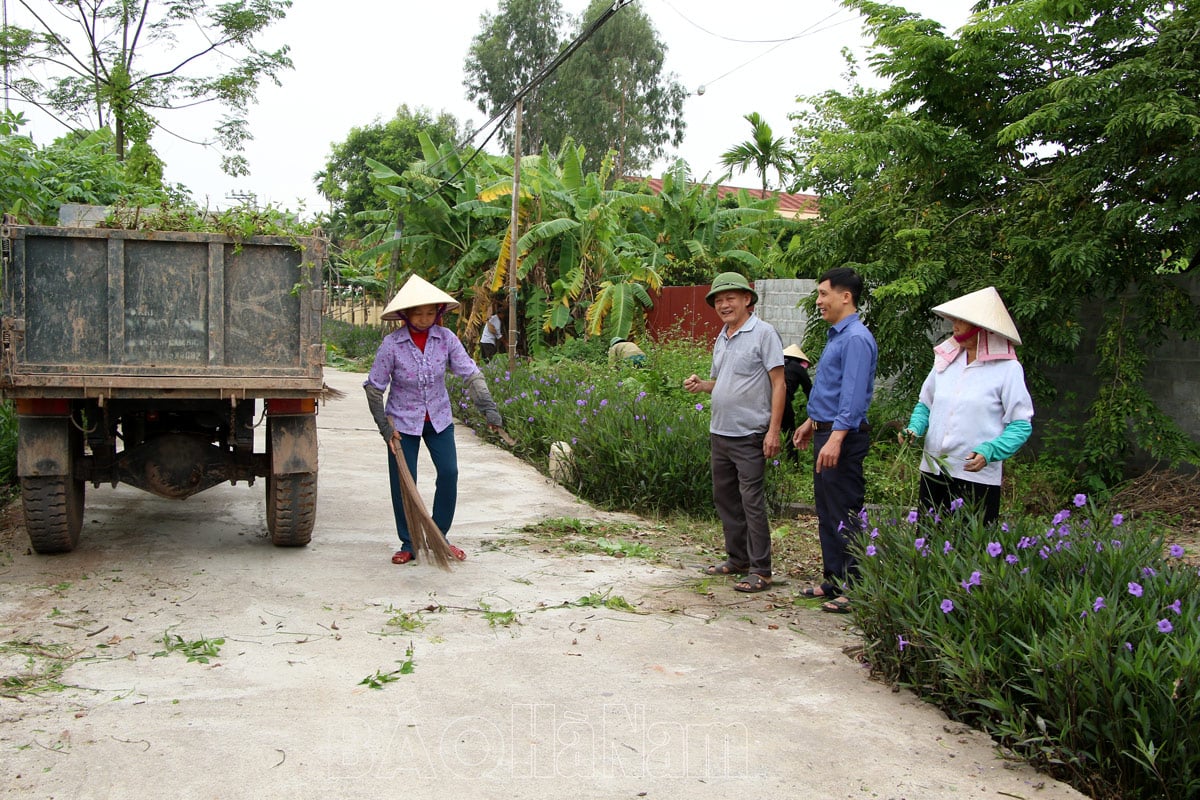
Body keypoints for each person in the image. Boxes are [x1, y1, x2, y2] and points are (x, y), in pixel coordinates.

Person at [364, 275, 503, 565]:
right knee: (405, 482)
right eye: (418, 313)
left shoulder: (446, 339)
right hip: (402, 424)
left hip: (439, 419)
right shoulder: (392, 345)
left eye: (430, 313)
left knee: (449, 473)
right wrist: (384, 428)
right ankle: (409, 542)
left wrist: (488, 407)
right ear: (405, 315)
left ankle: (440, 536)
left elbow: (470, 373)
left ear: (438, 313)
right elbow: (374, 387)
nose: (425, 319)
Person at [684, 271, 785, 593]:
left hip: (750, 433)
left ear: (747, 299)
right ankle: (737, 559)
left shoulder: (764, 333)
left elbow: (778, 383)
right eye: (719, 300)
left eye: (731, 298)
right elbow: (724, 382)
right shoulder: (723, 335)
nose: (724, 305)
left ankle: (761, 569)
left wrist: (773, 431)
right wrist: (703, 386)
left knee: (751, 501)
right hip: (721, 432)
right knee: (726, 499)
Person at [900, 286, 1034, 525]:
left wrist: (990, 451)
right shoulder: (946, 362)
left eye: (963, 321)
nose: (956, 326)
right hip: (934, 471)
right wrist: (914, 429)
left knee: (968, 549)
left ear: (984, 329)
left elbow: (1020, 424)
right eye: (956, 320)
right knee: (929, 542)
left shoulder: (1007, 369)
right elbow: (926, 405)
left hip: (976, 477)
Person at [792, 268, 877, 614]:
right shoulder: (837, 335)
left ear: (846, 297)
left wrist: (836, 437)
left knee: (845, 511)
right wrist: (812, 422)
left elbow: (853, 396)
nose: (819, 301)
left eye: (824, 294)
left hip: (843, 437)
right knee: (827, 511)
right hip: (826, 431)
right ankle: (834, 579)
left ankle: (855, 587)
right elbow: (833, 390)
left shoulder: (856, 338)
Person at [780, 344, 813, 461]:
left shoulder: (779, 364)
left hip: (768, 399)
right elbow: (809, 390)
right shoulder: (798, 368)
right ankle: (793, 462)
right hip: (784, 401)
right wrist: (814, 411)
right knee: (789, 432)